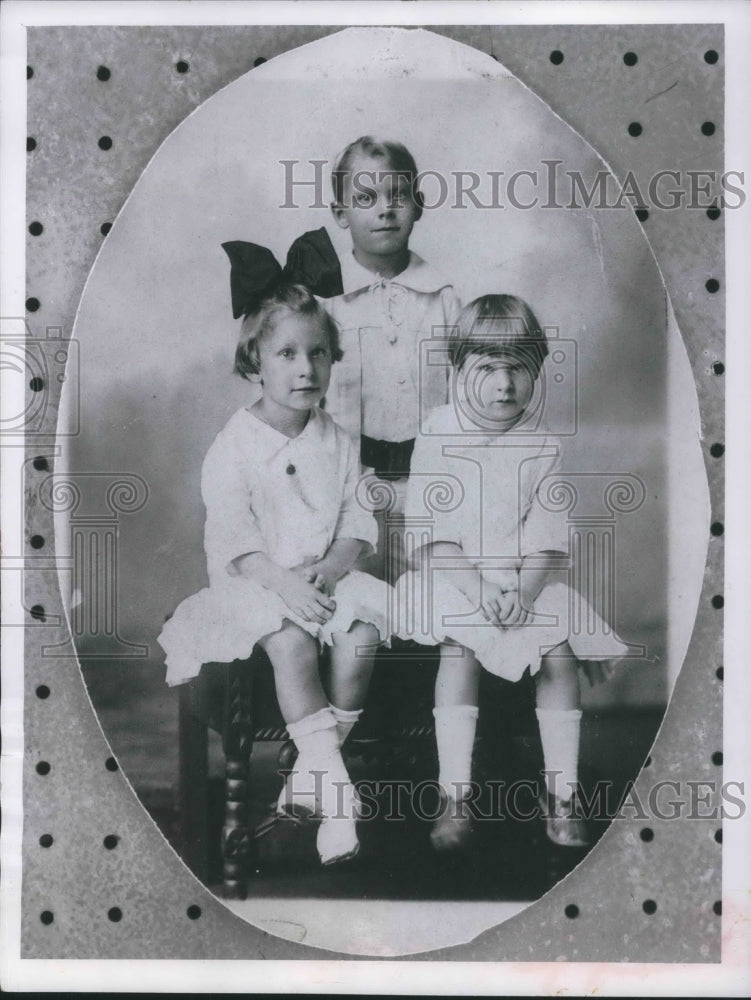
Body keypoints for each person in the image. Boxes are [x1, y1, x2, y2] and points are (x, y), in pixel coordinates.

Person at [158, 261, 390, 865]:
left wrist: (334, 569)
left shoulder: (339, 440)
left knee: (363, 636)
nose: (305, 368)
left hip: (322, 579)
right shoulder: (235, 444)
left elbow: (359, 523)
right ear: (254, 361)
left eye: (318, 353)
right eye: (286, 353)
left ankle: (309, 778)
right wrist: (288, 586)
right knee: (290, 642)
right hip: (256, 585)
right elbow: (237, 542)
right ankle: (338, 800)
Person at [397, 294, 628, 851]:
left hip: (523, 580)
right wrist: (479, 589)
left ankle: (563, 795)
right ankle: (455, 798)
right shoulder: (437, 434)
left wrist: (522, 593)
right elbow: (429, 534)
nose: (504, 385)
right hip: (451, 576)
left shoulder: (541, 444)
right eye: (487, 369)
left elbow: (549, 537)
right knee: (460, 645)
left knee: (559, 649)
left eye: (518, 370)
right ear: (457, 371)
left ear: (537, 373)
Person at [323, 136, 462, 581]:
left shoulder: (445, 300)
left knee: (435, 596)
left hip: (431, 487)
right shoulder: (324, 304)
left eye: (398, 196)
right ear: (341, 213)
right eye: (366, 198)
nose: (385, 209)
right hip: (345, 490)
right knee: (351, 599)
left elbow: (467, 399)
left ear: (418, 205)